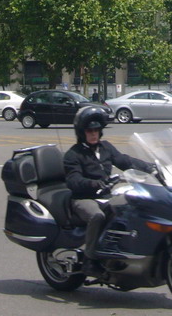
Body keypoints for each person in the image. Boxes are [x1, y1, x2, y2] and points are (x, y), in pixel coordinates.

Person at [62, 105, 155, 271]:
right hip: (83, 198)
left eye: (96, 130)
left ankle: (121, 252)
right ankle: (89, 260)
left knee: (132, 210)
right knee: (96, 216)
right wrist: (93, 183)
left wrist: (151, 167)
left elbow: (124, 161)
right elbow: (73, 180)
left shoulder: (106, 147)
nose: (93, 134)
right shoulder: (73, 154)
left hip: (106, 195)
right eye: (89, 131)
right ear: (81, 132)